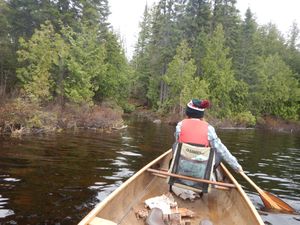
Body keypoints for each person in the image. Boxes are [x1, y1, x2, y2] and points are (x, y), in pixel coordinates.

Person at [174, 98, 243, 173]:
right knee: (218, 153)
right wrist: (236, 166)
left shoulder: (180, 125)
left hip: (183, 164)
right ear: (201, 115)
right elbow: (222, 150)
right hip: (201, 169)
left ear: (188, 113)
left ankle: (176, 169)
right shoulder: (209, 129)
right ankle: (209, 174)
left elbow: (178, 141)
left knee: (175, 145)